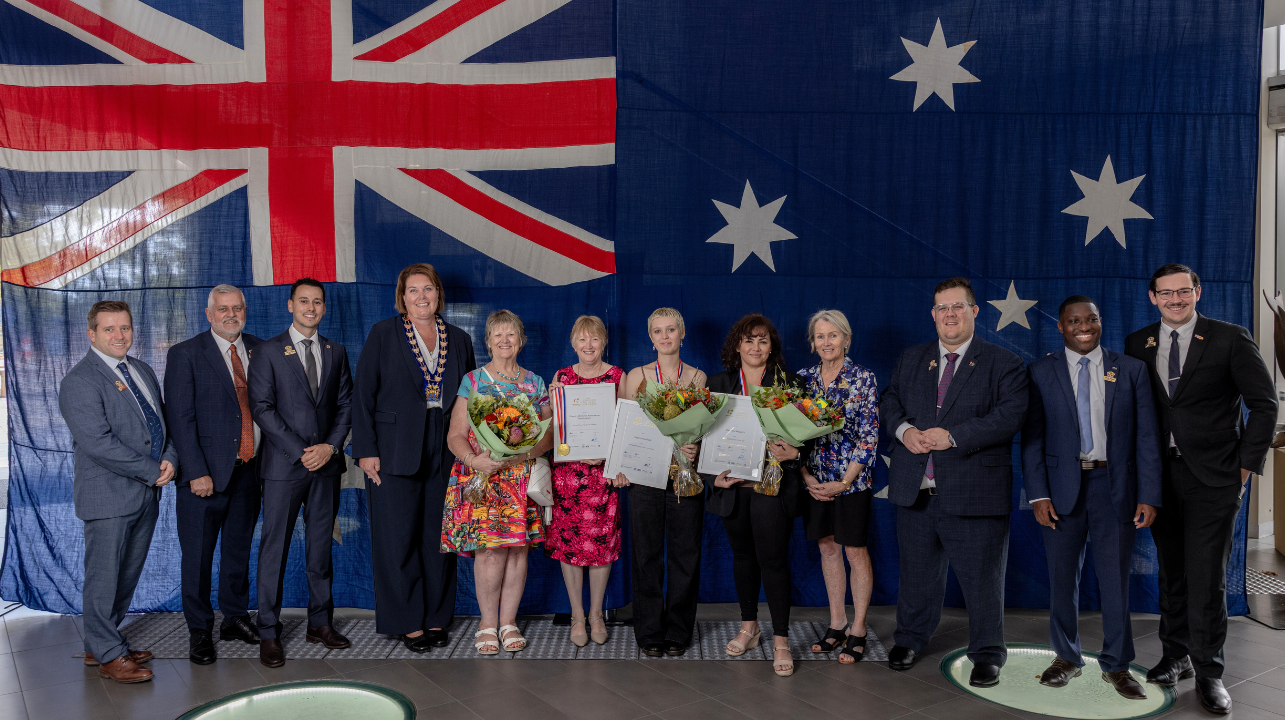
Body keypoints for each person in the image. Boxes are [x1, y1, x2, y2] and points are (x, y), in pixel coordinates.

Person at [1124, 264, 1277, 715]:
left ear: (1198, 292)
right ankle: (1176, 656)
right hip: (1160, 477)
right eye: (1166, 293)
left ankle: (1210, 670)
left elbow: (1264, 404)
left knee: (1207, 577)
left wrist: (1243, 470)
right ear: (1152, 297)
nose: (1175, 299)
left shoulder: (1229, 338)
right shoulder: (1137, 342)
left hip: (1215, 477)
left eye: (1183, 291)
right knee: (1171, 571)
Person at [880, 277, 1027, 688]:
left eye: (958, 306)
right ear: (933, 314)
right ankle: (910, 638)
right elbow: (889, 401)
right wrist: (905, 431)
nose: (950, 314)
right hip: (916, 489)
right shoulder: (912, 358)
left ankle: (987, 653)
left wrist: (955, 436)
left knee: (983, 581)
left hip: (975, 492)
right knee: (916, 576)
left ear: (974, 311)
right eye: (942, 308)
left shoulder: (1004, 362)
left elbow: (1010, 416)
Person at [1022, 295, 1161, 700]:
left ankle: (1117, 665)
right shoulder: (1040, 372)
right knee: (1062, 579)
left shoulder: (1131, 369)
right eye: (1074, 321)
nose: (1084, 327)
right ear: (1061, 326)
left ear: (1100, 322)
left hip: (1115, 487)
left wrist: (1149, 495)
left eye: (1091, 319)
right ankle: (1066, 658)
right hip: (1059, 490)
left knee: (1115, 580)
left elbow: (1147, 437)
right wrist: (1038, 495)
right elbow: (1031, 439)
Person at [353, 264, 476, 653]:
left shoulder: (459, 339)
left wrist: (472, 449)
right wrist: (366, 450)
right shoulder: (383, 333)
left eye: (428, 289)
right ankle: (407, 621)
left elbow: (471, 397)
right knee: (397, 537)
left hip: (446, 443)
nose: (421, 297)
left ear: (438, 294)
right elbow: (362, 394)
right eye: (413, 290)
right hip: (393, 446)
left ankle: (436, 617)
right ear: (402, 297)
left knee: (439, 537)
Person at [59, 300, 176, 683]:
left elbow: (162, 423)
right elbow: (98, 444)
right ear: (91, 334)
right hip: (108, 497)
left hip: (146, 493)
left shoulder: (141, 369)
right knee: (104, 578)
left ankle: (102, 643)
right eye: (109, 329)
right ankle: (109, 654)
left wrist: (170, 459)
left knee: (126, 576)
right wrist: (153, 471)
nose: (119, 335)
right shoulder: (80, 380)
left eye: (124, 327)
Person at [249, 278, 354, 668]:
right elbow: (262, 408)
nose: (311, 308)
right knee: (274, 549)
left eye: (318, 302)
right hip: (283, 467)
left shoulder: (335, 351)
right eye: (304, 301)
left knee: (320, 548)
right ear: (290, 305)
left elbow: (346, 404)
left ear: (324, 308)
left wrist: (330, 447)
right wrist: (301, 452)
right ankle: (268, 631)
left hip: (326, 466)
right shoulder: (268, 351)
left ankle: (320, 623)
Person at [442, 310, 554, 655]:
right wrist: (474, 460)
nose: (505, 341)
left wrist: (523, 454)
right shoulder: (473, 381)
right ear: (488, 342)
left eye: (511, 335)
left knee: (518, 550)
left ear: (521, 340)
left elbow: (549, 435)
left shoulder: (535, 383)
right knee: (490, 551)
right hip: (483, 476)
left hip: (520, 478)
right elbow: (455, 435)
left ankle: (509, 622)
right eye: (498, 335)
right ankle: (487, 624)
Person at [164, 285, 264, 665]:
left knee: (238, 552)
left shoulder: (260, 349)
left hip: (250, 471)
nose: (231, 315)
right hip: (203, 478)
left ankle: (234, 618)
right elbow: (180, 418)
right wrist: (196, 471)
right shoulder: (186, 354)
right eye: (223, 309)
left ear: (245, 311)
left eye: (237, 308)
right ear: (209, 314)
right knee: (198, 557)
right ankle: (200, 629)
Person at [705, 314, 807, 677]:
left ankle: (780, 639)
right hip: (734, 488)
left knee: (774, 561)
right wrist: (711, 477)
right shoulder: (718, 384)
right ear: (737, 346)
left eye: (763, 340)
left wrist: (796, 454)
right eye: (749, 340)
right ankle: (749, 627)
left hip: (772, 489)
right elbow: (703, 438)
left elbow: (809, 434)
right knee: (743, 558)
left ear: (771, 346)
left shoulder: (790, 384)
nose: (755, 347)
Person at [619, 307, 708, 657]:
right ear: (650, 337)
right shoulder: (636, 376)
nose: (665, 336)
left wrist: (695, 446)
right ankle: (649, 631)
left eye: (671, 330)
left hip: (684, 475)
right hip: (645, 475)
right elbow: (626, 426)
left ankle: (678, 631)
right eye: (658, 331)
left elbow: (703, 427)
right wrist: (622, 465)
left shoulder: (698, 377)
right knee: (646, 554)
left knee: (685, 555)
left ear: (682, 334)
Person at [796, 309, 880, 665]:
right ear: (813, 342)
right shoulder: (803, 379)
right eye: (820, 336)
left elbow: (869, 436)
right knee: (828, 548)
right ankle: (837, 622)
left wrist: (844, 482)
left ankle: (858, 628)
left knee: (854, 552)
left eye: (833, 335)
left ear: (846, 339)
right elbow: (792, 434)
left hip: (852, 481)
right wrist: (806, 477)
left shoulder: (863, 378)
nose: (826, 342)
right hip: (815, 480)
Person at [546, 315, 623, 647]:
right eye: (582, 339)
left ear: (603, 342)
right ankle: (577, 614)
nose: (588, 345)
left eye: (594, 339)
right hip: (568, 476)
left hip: (603, 476)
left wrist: (608, 457)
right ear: (573, 343)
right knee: (570, 546)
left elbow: (625, 425)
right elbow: (553, 429)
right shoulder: (562, 377)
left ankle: (596, 614)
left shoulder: (617, 377)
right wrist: (552, 402)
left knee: (601, 547)